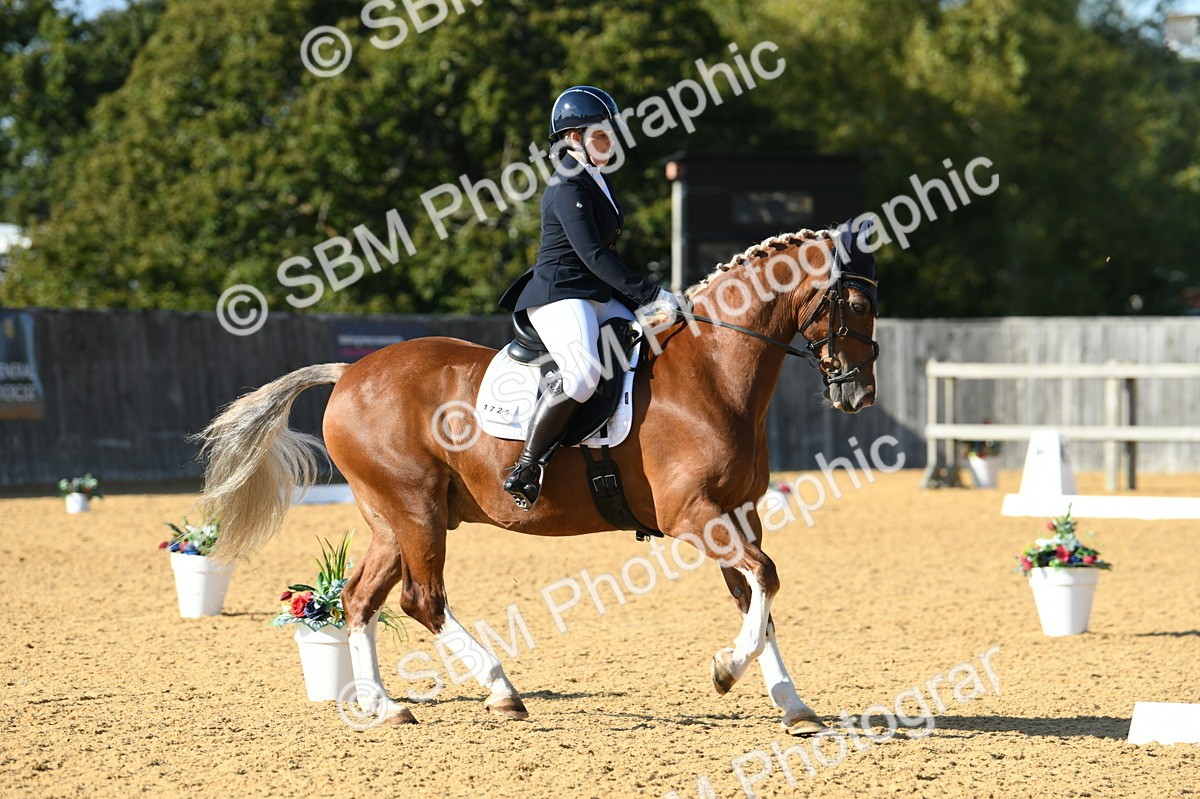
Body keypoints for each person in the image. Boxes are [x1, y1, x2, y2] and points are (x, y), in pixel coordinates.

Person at [497, 85, 680, 510]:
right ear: (573, 138)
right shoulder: (567, 185)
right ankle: (527, 465)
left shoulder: (597, 177)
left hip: (596, 294)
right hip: (561, 295)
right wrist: (651, 293)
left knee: (662, 337)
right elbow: (594, 255)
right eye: (601, 135)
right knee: (581, 374)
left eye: (611, 133)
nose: (610, 142)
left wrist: (655, 305)